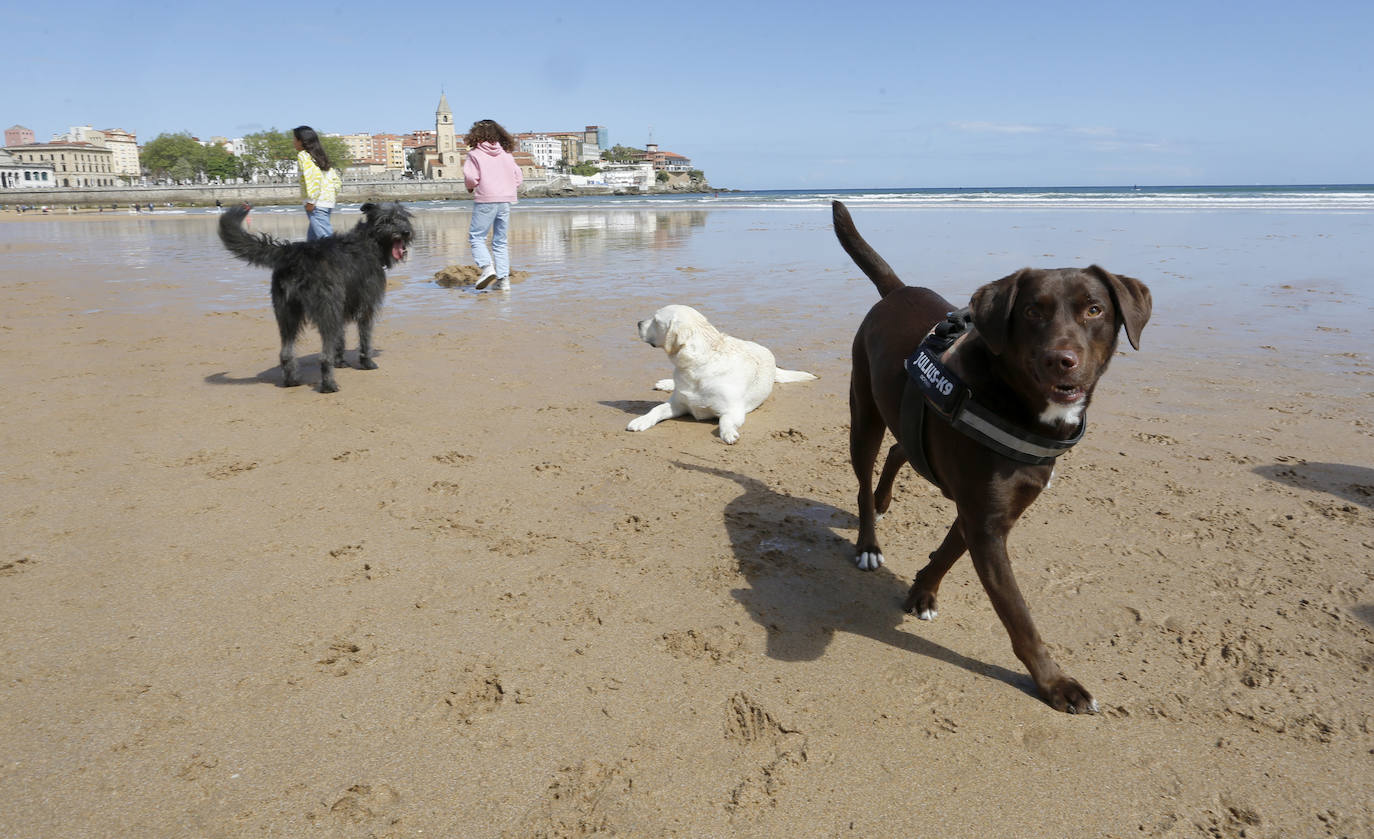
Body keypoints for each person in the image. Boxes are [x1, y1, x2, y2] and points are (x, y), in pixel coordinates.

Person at [462, 119, 523, 290]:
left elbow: (471, 178)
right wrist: (506, 188)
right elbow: (518, 177)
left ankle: (487, 268)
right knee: (500, 241)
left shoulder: (474, 154)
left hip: (486, 199)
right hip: (505, 200)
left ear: (476, 135)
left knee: (476, 237)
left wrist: (470, 187)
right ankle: (503, 281)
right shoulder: (506, 154)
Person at [293, 125, 342, 241]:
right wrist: (330, 196)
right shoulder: (320, 156)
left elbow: (313, 178)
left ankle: (340, 259)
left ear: (301, 141)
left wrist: (311, 200)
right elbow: (336, 181)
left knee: (327, 241)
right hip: (327, 202)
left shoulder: (304, 156)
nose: (293, 142)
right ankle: (310, 259)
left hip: (316, 204)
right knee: (313, 241)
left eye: (294, 139)